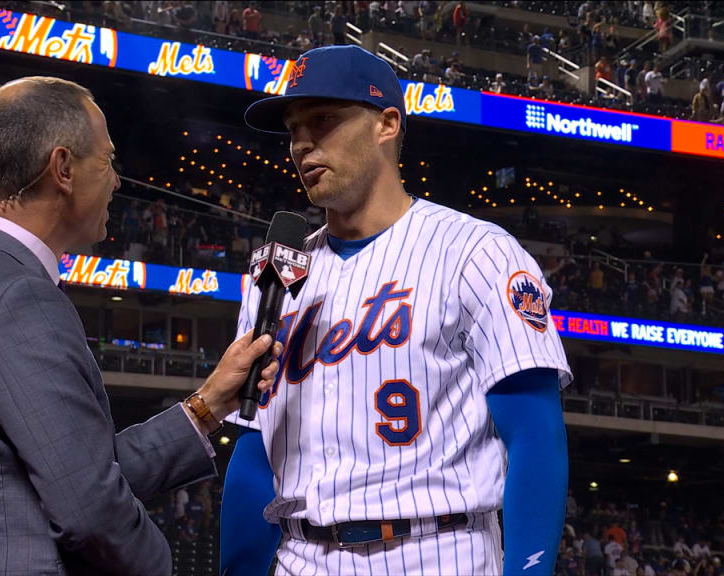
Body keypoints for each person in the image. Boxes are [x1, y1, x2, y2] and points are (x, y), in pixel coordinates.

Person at [0, 76, 282, 575]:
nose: (117, 180)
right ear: (63, 168)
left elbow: (75, 471)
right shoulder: (19, 297)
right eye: (107, 160)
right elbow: (90, 510)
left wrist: (208, 406)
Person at [221, 45, 571, 576]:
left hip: (436, 551)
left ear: (387, 124)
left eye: (323, 120)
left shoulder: (476, 251)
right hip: (300, 557)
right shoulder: (274, 275)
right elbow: (255, 445)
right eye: (293, 129)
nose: (301, 145)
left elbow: (534, 435)